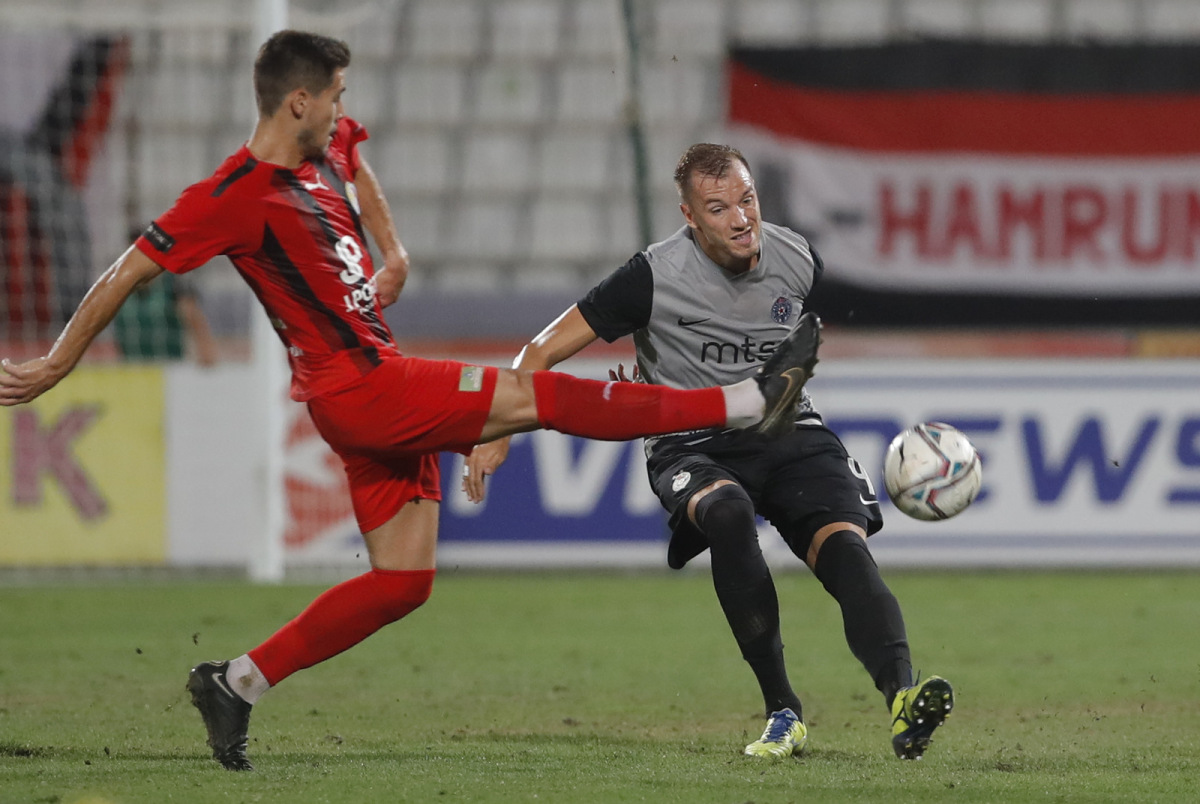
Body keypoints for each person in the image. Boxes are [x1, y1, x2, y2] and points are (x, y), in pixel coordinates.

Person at [0, 33, 821, 772]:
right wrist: (57, 362)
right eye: (335, 97)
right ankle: (741, 402)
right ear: (299, 101)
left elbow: (357, 160)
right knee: (543, 399)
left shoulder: (324, 154)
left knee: (402, 581)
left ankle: (236, 682)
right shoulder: (233, 194)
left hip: (373, 381)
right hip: (362, 389)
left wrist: (390, 252)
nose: (341, 113)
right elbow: (130, 268)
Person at [463, 144, 954, 761]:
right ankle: (783, 710)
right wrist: (498, 429)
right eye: (719, 208)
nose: (741, 218)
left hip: (788, 433)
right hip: (689, 441)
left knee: (845, 550)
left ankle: (903, 700)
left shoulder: (798, 258)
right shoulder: (651, 276)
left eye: (747, 199)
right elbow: (536, 355)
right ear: (690, 217)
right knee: (725, 514)